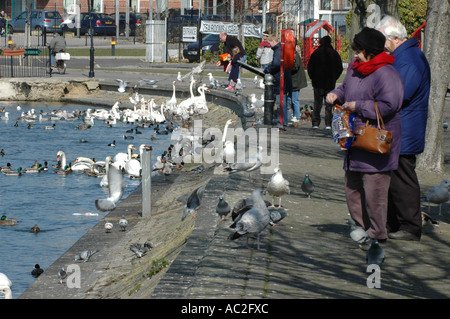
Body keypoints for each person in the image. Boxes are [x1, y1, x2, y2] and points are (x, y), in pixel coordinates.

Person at [326, 27, 404, 244]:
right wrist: (336, 94)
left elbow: (390, 105)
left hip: (374, 141)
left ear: (370, 51)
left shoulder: (387, 73)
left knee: (375, 190)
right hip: (354, 138)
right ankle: (361, 228)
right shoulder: (354, 69)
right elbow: (345, 88)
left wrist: (358, 106)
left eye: (359, 51)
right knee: (352, 187)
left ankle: (377, 231)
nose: (355, 55)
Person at [376, 16, 431, 241]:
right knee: (394, 177)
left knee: (403, 178)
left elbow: (399, 94)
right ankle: (394, 222)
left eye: (383, 40)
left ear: (395, 39)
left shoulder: (408, 60)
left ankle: (409, 226)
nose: (381, 44)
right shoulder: (406, 56)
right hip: (402, 127)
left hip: (405, 128)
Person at [308, 35, 343, 129]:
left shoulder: (316, 53)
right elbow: (339, 68)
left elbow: (310, 67)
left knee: (317, 103)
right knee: (329, 104)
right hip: (329, 83)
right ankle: (328, 123)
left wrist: (313, 78)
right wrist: (334, 78)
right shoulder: (334, 53)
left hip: (318, 82)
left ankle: (315, 123)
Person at [263, 34, 292, 131]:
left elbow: (276, 64)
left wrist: (268, 69)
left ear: (273, 41)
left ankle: (282, 122)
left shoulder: (278, 50)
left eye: (269, 43)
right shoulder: (280, 49)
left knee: (281, 102)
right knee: (283, 101)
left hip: (280, 79)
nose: (269, 45)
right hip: (283, 78)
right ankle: (284, 121)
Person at [288, 41, 308, 124]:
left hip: (295, 81)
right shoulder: (293, 54)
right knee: (290, 99)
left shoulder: (294, 55)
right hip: (293, 81)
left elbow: (295, 67)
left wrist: (287, 66)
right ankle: (295, 115)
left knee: (294, 99)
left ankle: (297, 116)